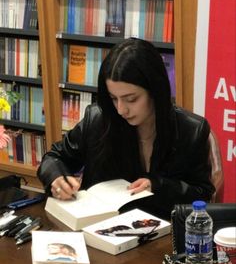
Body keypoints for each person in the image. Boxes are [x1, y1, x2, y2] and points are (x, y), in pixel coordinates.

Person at [37, 38, 215, 220]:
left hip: (161, 234)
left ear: (155, 91)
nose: (121, 109)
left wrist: (158, 186)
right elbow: (54, 158)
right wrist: (57, 177)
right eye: (114, 98)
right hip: (100, 229)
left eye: (131, 99)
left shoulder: (190, 130)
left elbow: (202, 194)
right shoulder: (99, 119)